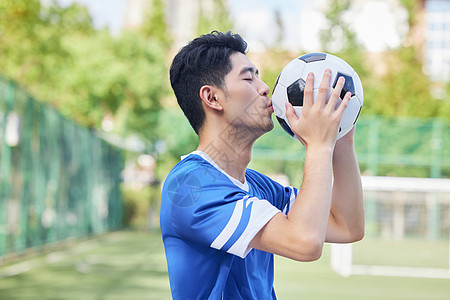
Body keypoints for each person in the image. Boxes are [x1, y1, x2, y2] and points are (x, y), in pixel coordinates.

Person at [160, 31, 364, 299]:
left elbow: (347, 226)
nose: (264, 86)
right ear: (212, 98)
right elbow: (305, 242)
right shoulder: (190, 187)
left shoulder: (258, 185)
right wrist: (318, 145)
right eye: (248, 77)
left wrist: (340, 139)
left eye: (258, 75)